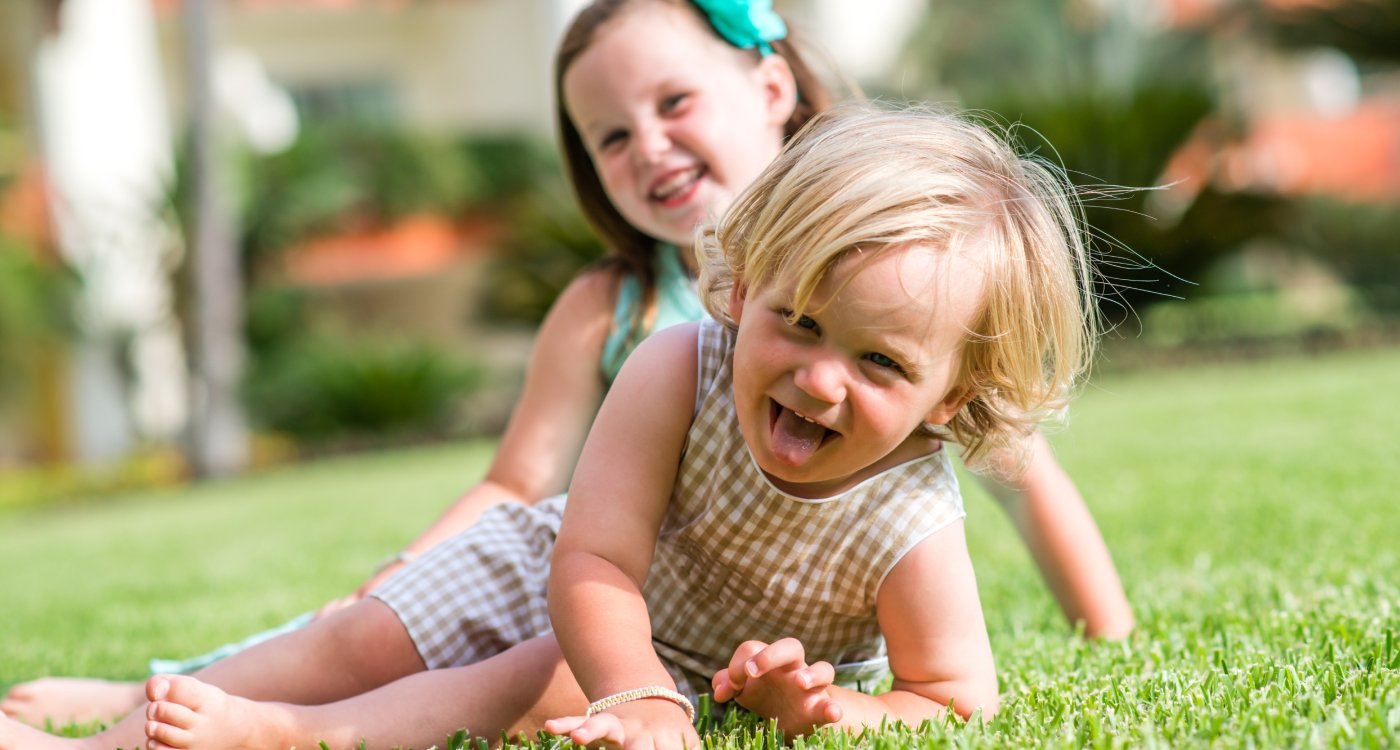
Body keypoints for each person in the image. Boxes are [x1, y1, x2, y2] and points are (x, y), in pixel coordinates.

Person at [0, 0, 1131, 730]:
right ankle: (133, 708)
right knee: (352, 635)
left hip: (648, 641)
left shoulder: (925, 343)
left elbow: (1006, 530)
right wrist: (406, 569)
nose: (646, 145)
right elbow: (528, 493)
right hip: (567, 568)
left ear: (769, 88)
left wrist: (1103, 632)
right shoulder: (640, 323)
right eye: (608, 135)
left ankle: (265, 731)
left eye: (673, 102)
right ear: (742, 293)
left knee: (497, 691)